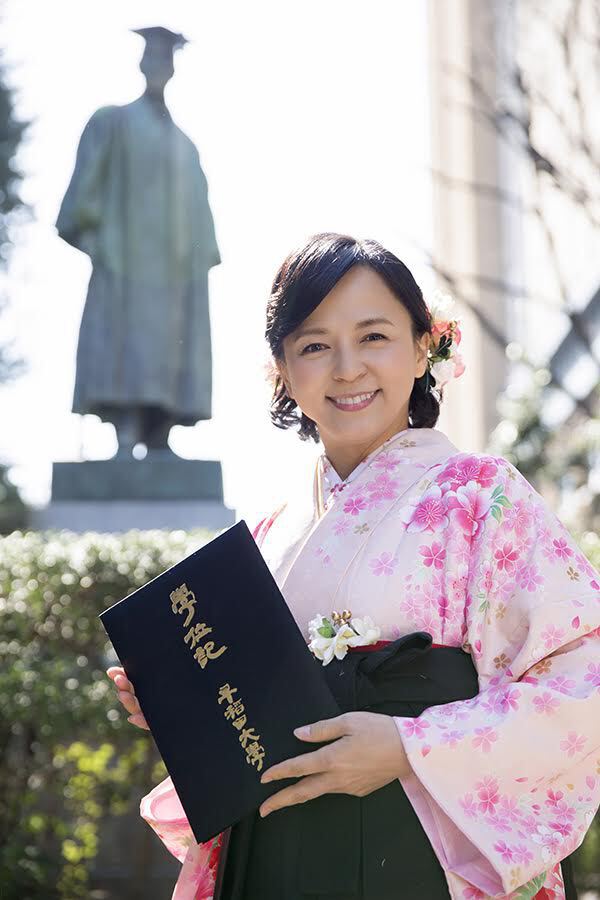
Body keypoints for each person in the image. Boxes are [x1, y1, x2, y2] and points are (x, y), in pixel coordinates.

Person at [108, 234, 599, 900]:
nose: (347, 368)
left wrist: (408, 746)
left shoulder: (483, 497)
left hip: (418, 838)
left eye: (374, 337)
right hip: (274, 844)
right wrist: (178, 702)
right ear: (282, 367)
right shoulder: (267, 530)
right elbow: (243, 713)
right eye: (314, 346)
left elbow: (582, 680)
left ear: (423, 346)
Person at [56, 27, 220, 455]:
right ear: (141, 63)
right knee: (125, 347)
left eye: (166, 59)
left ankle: (161, 434)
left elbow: (203, 229)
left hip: (175, 275)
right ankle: (125, 434)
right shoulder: (112, 122)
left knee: (170, 350)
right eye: (153, 58)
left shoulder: (185, 145)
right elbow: (83, 194)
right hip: (124, 261)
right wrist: (97, 244)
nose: (159, 66)